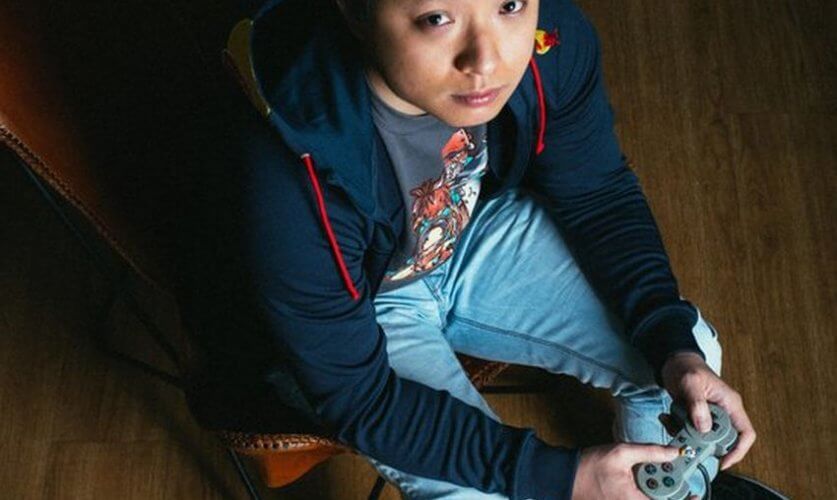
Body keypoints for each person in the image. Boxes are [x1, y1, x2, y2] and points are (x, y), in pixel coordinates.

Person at [176, 0, 767, 498]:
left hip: (465, 231)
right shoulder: (287, 174)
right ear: (354, 11)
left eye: (509, 4)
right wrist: (561, 478)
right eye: (436, 18)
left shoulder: (547, 40)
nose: (487, 60)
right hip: (362, 311)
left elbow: (597, 193)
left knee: (688, 351)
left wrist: (671, 342)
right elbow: (360, 400)